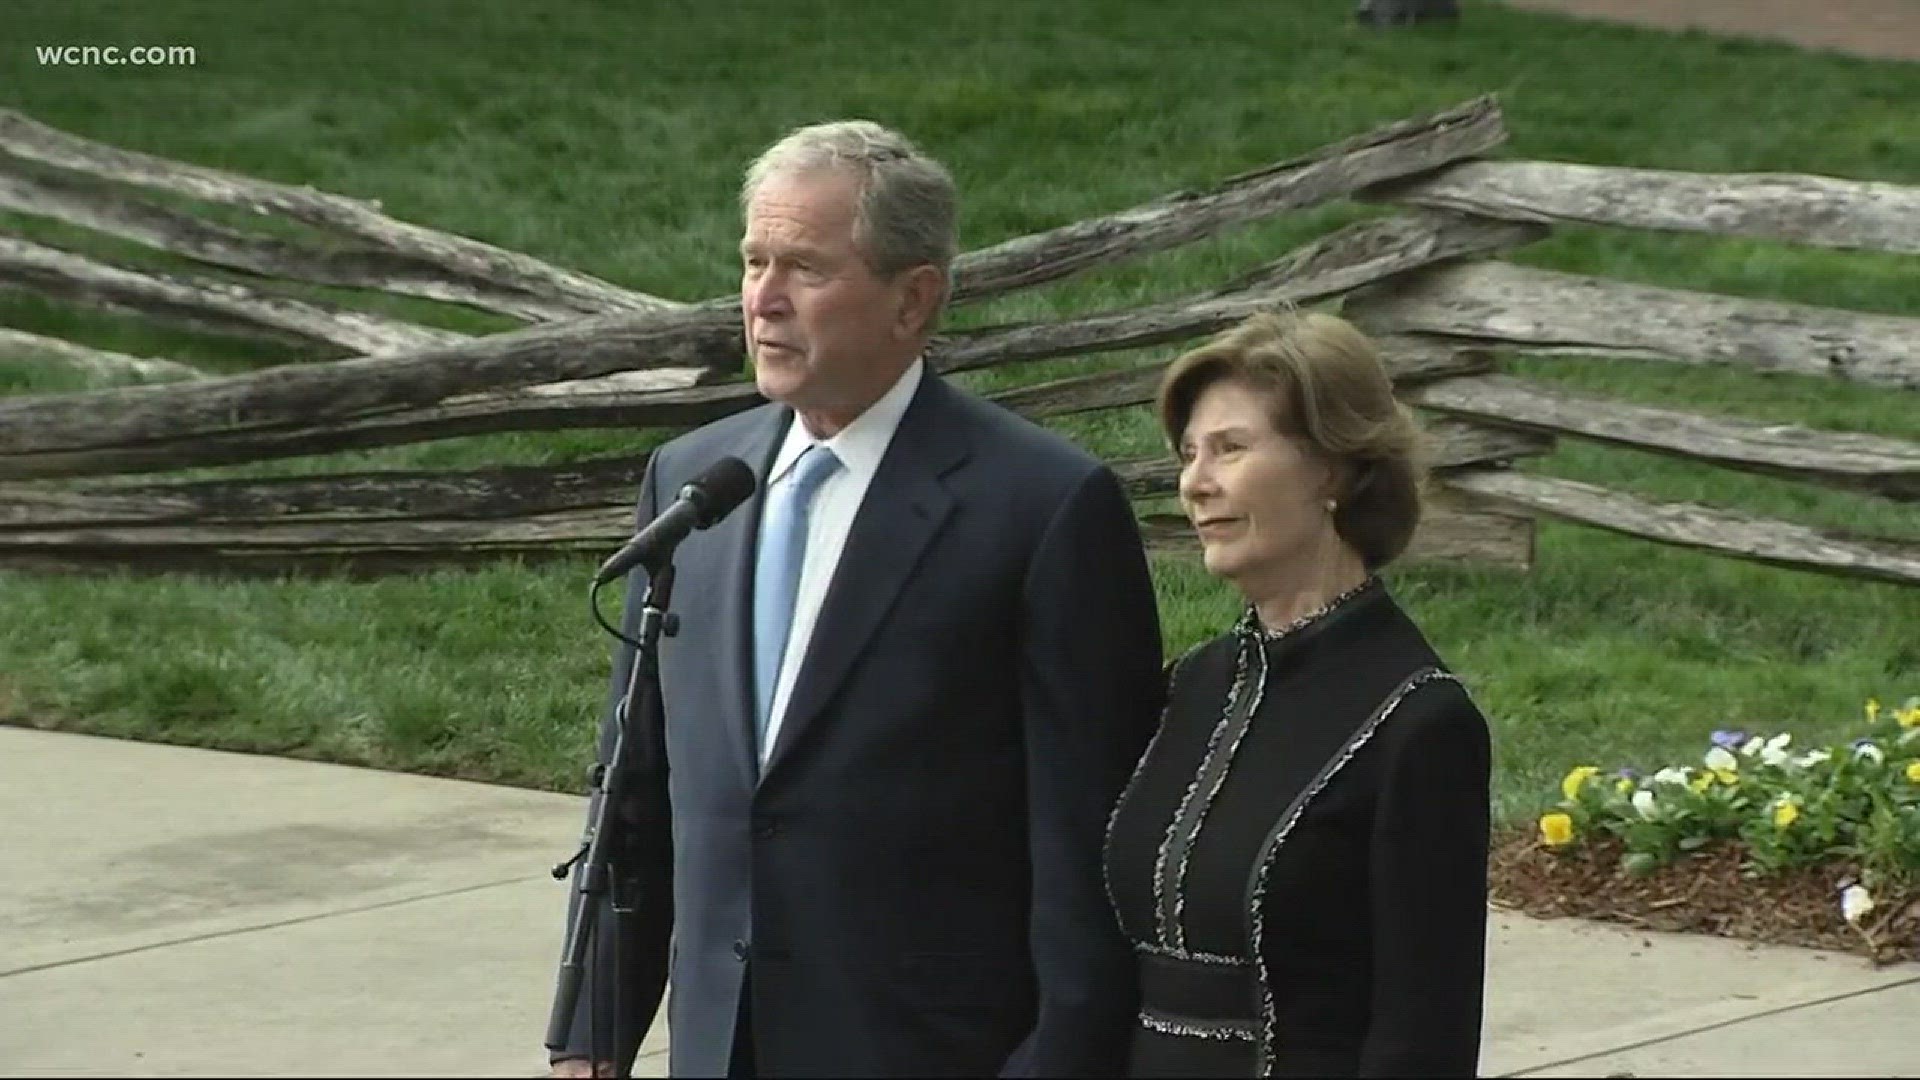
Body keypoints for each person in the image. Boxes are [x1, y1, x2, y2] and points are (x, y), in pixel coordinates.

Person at [547, 120, 1166, 1078]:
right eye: (754, 261)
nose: (764, 299)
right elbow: (634, 795)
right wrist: (592, 1036)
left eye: (805, 268)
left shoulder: (1042, 508)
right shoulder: (692, 480)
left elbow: (1090, 853)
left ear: (914, 300)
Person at [1102, 311, 1492, 1077]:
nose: (1195, 483)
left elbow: (1425, 1037)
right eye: (1188, 455)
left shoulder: (1418, 722)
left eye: (1231, 449)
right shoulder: (1193, 687)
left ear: (1333, 470)